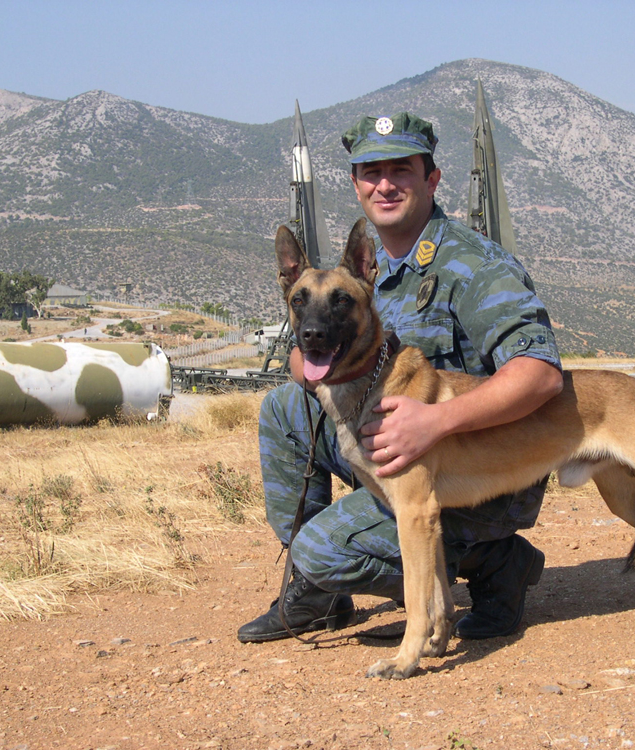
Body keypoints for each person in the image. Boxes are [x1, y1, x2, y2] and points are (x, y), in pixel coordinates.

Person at [237, 112, 562, 643]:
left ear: (431, 178)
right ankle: (319, 593)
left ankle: (492, 561)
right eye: (371, 171)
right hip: (398, 454)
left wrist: (436, 421)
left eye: (401, 170)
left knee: (321, 549)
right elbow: (319, 353)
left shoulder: (473, 264)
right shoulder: (364, 272)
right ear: (356, 183)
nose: (384, 184)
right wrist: (310, 360)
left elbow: (540, 375)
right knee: (283, 408)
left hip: (478, 473)